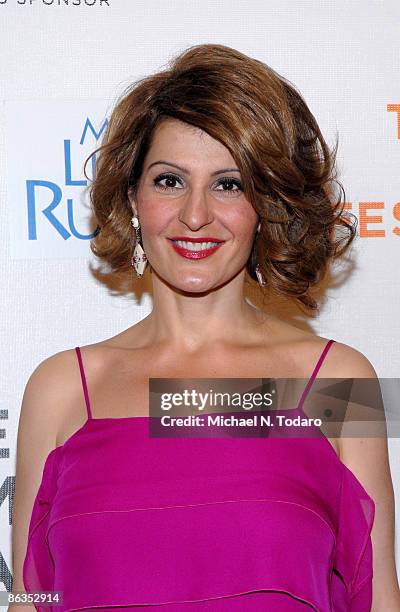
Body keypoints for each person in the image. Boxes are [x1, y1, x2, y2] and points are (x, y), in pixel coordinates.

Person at [11, 43, 399, 611]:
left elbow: (379, 597)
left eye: (229, 184)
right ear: (132, 198)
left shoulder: (337, 380)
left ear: (266, 204)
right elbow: (31, 597)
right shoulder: (61, 387)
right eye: (169, 181)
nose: (195, 215)